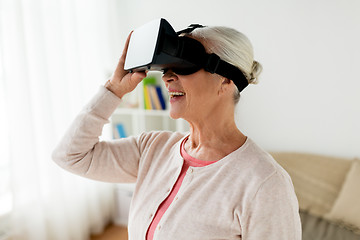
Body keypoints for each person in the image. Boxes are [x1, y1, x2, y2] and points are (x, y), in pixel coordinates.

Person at [52, 23, 302, 240]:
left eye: (183, 66)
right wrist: (113, 89)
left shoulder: (265, 184)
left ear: (226, 79)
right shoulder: (153, 148)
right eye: (166, 68)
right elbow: (70, 156)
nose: (167, 78)